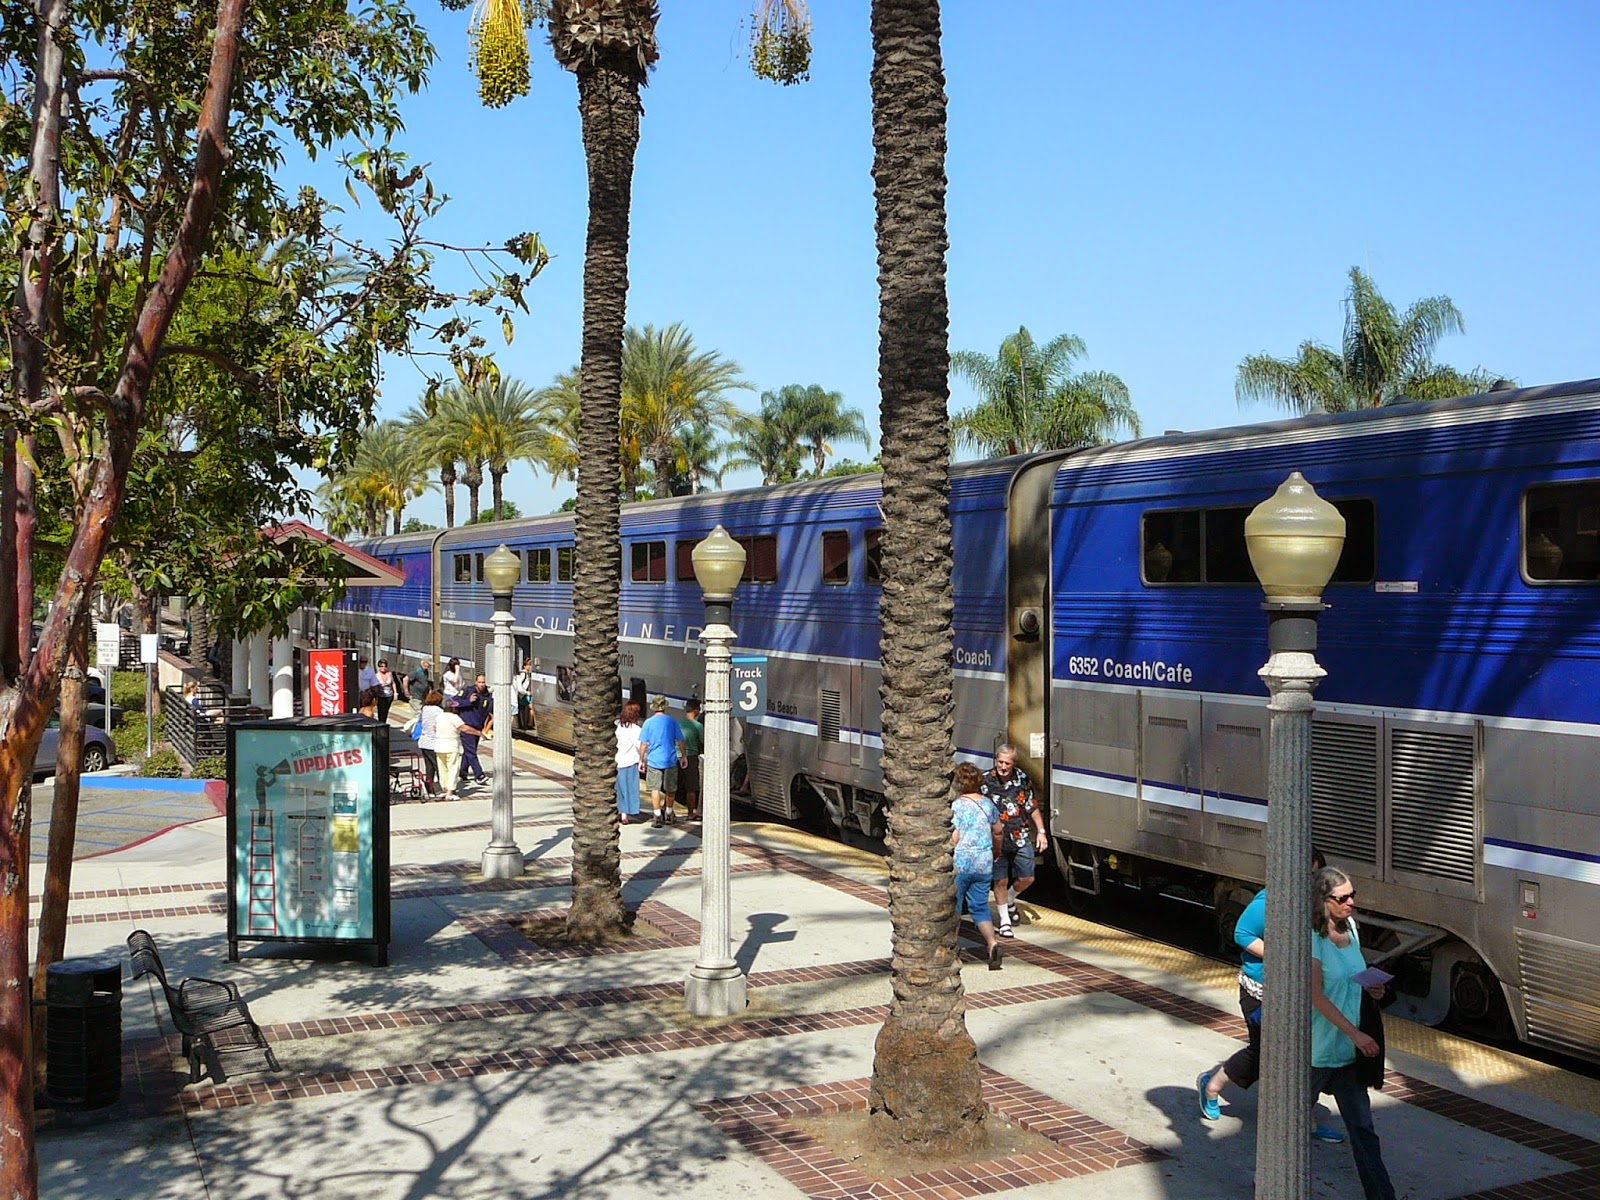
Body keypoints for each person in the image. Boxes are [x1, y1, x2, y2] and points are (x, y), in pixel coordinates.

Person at [1198, 851, 1340, 1140]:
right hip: (1261, 991)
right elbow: (1242, 933)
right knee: (1265, 1052)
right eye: (1306, 875)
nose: (1311, 882)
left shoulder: (1317, 906)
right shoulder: (1267, 902)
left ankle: (1305, 1119)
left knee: (1306, 1056)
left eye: (1316, 875)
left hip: (1301, 992)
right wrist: (1280, 957)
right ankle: (1212, 1086)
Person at [1310, 867, 1398, 1200]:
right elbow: (1316, 995)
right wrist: (1356, 1035)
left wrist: (1372, 990)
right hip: (1316, 1053)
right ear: (1323, 901)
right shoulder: (1313, 939)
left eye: (1353, 895)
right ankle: (1271, 1181)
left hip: (1347, 1056)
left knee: (1363, 1130)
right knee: (1286, 1127)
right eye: (1342, 898)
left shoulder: (1353, 930)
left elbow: (1355, 976)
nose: (1350, 903)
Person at [980, 744, 1046, 938]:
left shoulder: (1022, 779)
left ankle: (1010, 898)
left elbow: (1031, 806)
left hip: (1020, 836)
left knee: (1028, 877)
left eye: (1007, 763)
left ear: (1013, 763)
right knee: (1000, 880)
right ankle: (1005, 921)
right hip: (996, 840)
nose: (1002, 766)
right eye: (1000, 762)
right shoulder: (985, 780)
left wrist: (1041, 831)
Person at [951, 762, 1004, 970]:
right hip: (984, 862)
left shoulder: (956, 806)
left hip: (961, 863)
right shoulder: (988, 805)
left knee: (954, 907)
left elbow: (955, 837)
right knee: (980, 906)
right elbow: (998, 831)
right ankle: (992, 944)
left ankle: (951, 949)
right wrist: (996, 851)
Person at [639, 696, 686, 828]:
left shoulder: (648, 723)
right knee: (670, 788)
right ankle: (669, 813)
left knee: (655, 789)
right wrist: (684, 756)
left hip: (654, 760)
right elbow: (681, 740)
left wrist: (641, 759)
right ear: (665, 707)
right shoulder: (672, 721)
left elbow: (643, 744)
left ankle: (657, 815)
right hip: (670, 759)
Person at [455, 674, 492, 788]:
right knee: (471, 752)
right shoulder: (467, 691)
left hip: (478, 727)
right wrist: (467, 701)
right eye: (479, 682)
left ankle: (463, 772)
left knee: (469, 750)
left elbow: (490, 710)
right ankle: (479, 775)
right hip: (466, 726)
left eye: (483, 682)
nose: (481, 685)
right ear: (476, 682)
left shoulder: (488, 696)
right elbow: (453, 702)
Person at [406, 689, 445, 797]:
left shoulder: (425, 709)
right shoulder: (439, 711)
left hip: (423, 742)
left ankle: (429, 788)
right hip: (434, 742)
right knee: (438, 766)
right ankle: (441, 788)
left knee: (429, 766)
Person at [432, 695, 467, 801]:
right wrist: (479, 733)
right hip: (452, 746)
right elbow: (464, 728)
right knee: (453, 769)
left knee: (442, 769)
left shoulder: (438, 717)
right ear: (452, 708)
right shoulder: (454, 718)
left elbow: (434, 728)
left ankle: (444, 789)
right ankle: (450, 792)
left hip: (439, 746)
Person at [614, 701, 644, 824]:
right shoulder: (636, 730)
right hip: (630, 762)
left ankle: (620, 812)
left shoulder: (617, 725)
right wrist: (643, 760)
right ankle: (625, 815)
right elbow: (640, 745)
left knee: (619, 789)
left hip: (616, 760)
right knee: (629, 789)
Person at [677, 697, 704, 820]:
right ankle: (690, 813)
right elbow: (704, 741)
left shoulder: (678, 724)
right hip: (691, 757)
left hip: (675, 757)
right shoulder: (697, 726)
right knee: (691, 787)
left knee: (673, 786)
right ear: (695, 710)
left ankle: (667, 810)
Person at [513, 658, 536, 732]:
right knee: (528, 708)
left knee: (525, 709)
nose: (530, 667)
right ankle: (526, 724)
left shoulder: (527, 674)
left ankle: (526, 724)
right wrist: (526, 692)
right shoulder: (523, 674)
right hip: (522, 695)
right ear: (525, 666)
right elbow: (520, 687)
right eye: (529, 665)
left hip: (523, 695)